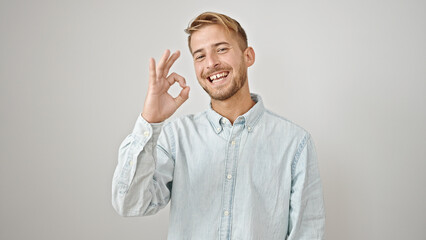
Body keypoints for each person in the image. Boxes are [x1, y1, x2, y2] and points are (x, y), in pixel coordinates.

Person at [112, 12, 325, 240]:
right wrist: (150, 122)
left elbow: (307, 233)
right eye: (200, 56)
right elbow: (129, 203)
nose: (211, 63)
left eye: (221, 49)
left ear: (248, 56)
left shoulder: (295, 143)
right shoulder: (176, 137)